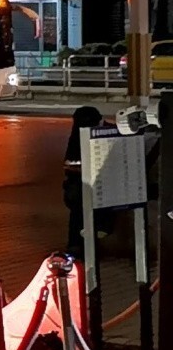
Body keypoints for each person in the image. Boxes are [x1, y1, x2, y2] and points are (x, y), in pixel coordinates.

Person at [62, 103, 103, 258]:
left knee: (77, 217)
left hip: (76, 187)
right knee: (84, 215)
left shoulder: (75, 137)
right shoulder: (87, 137)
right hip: (82, 187)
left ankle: (76, 245)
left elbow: (69, 164)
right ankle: (82, 245)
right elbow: (71, 164)